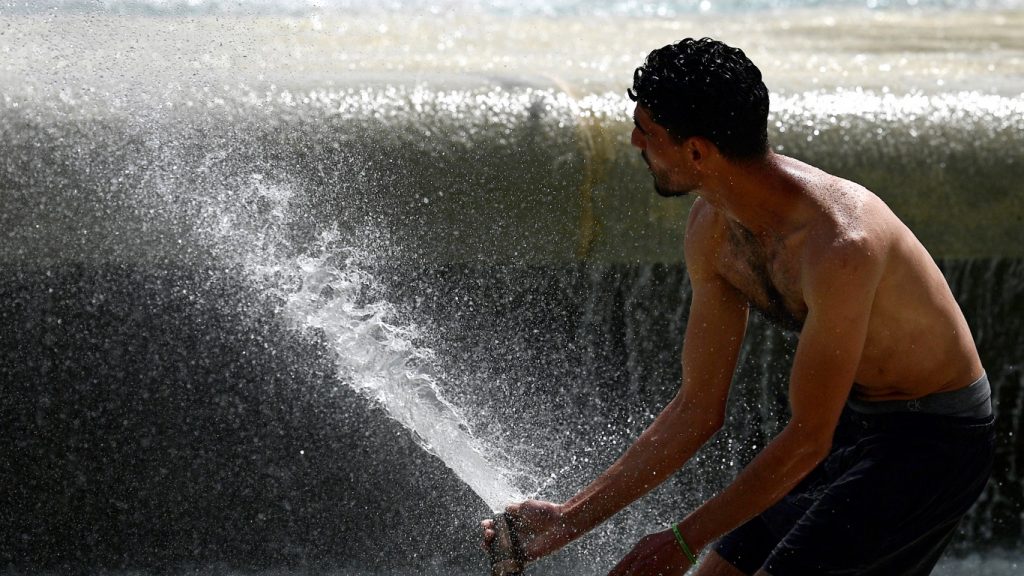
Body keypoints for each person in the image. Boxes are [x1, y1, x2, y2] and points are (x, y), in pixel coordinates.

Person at [481, 37, 995, 576]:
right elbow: (698, 408)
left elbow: (807, 438)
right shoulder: (712, 231)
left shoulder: (841, 247)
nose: (634, 141)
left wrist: (681, 539)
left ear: (697, 151)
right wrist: (569, 518)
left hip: (935, 443)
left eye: (648, 132)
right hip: (856, 422)